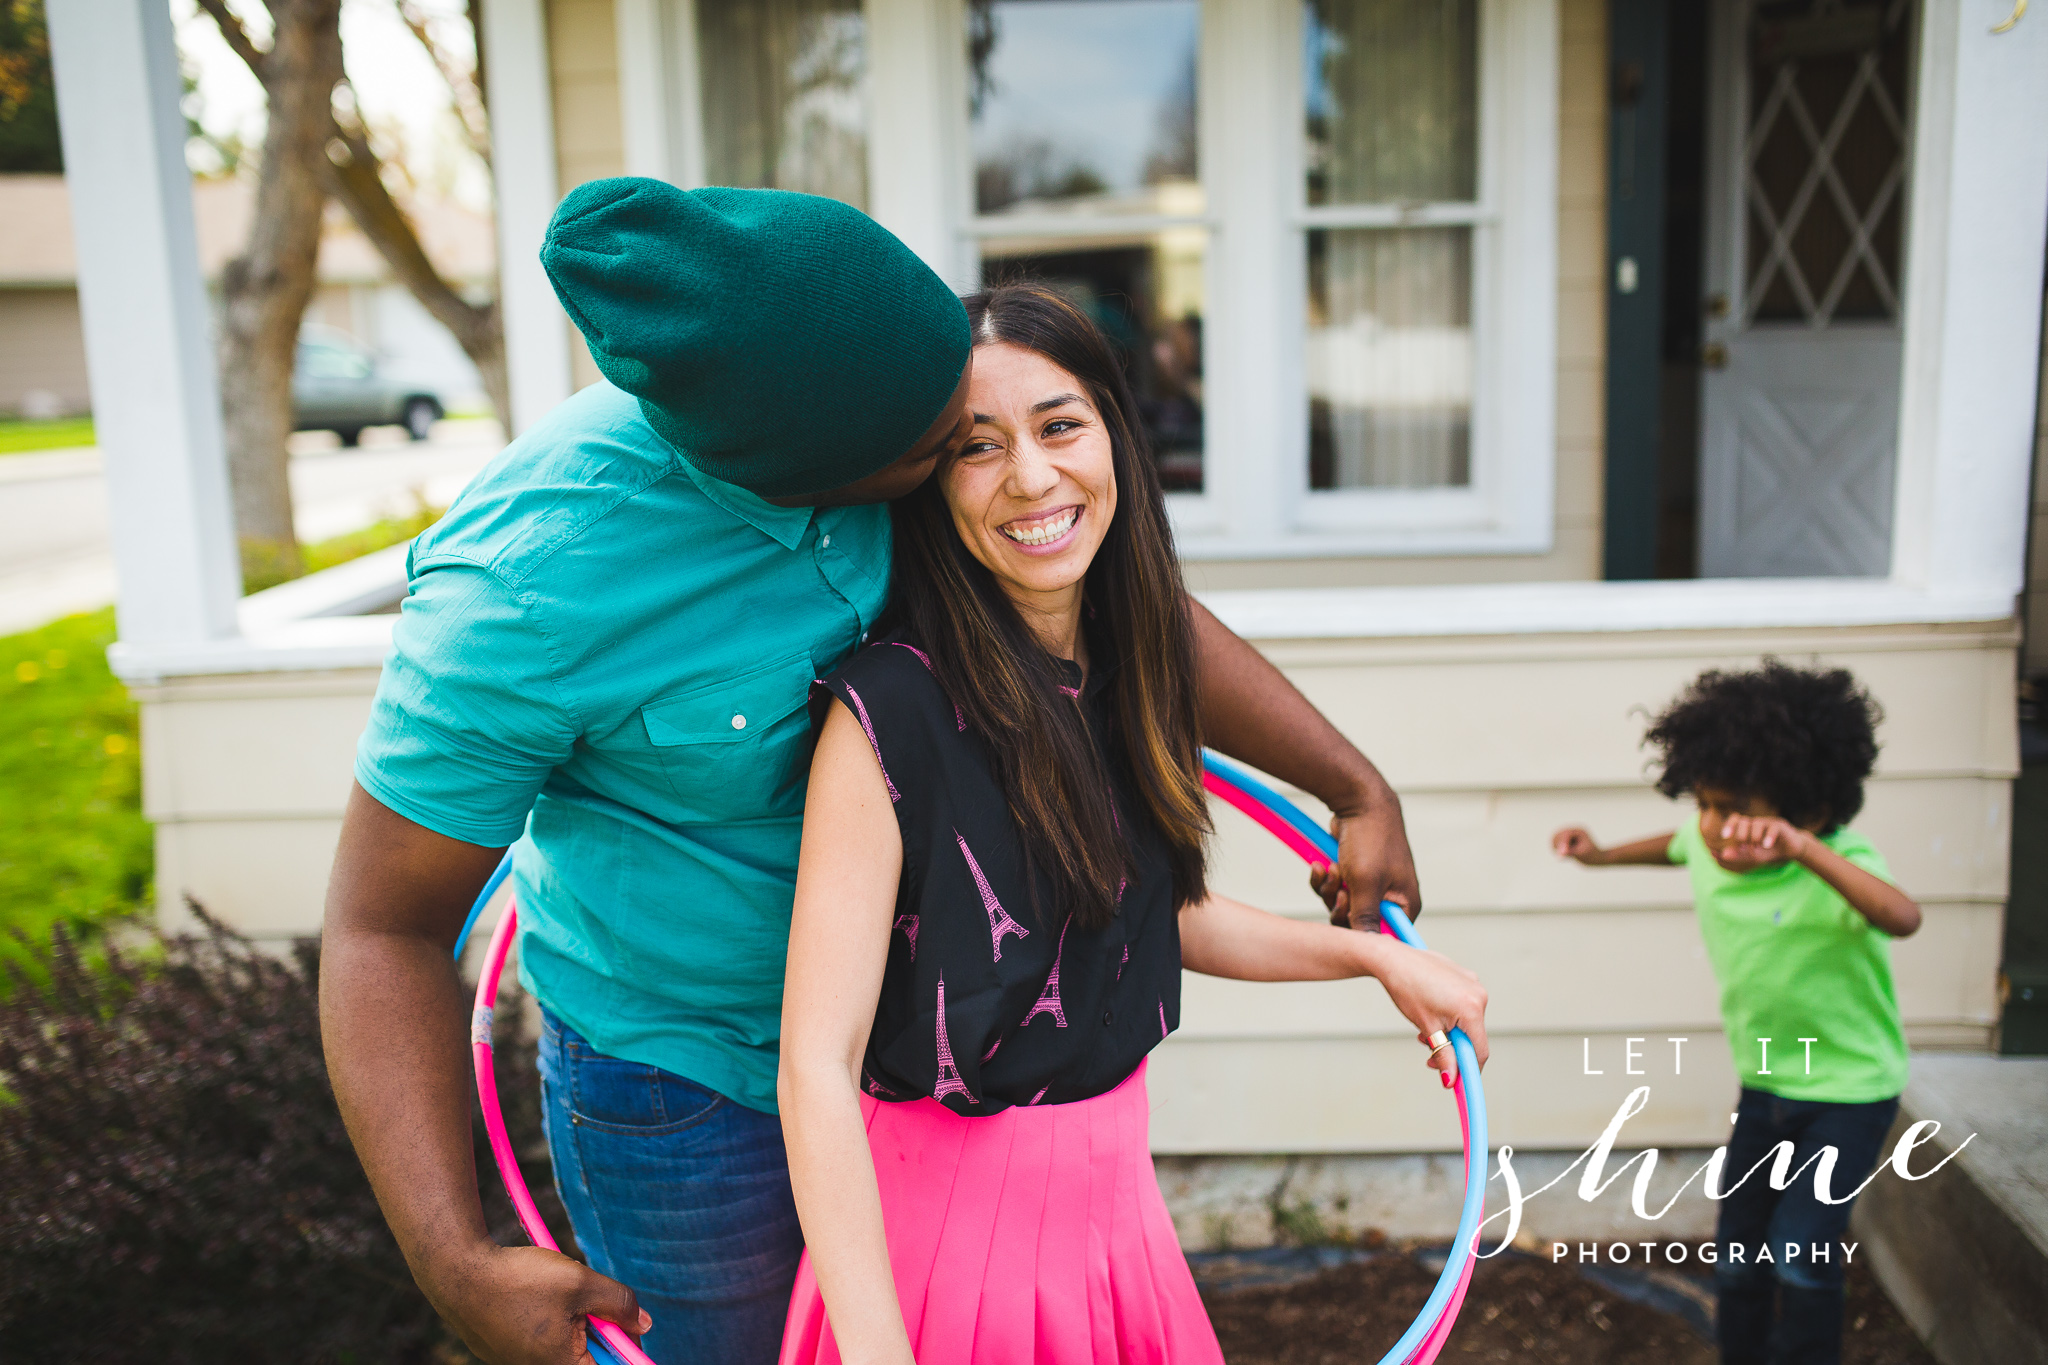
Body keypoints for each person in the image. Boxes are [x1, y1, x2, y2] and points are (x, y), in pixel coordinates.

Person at [320, 180, 1425, 1365]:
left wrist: (1349, 783)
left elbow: (1097, 593)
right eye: (946, 449)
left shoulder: (873, 386)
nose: (991, 460)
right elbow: (382, 927)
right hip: (695, 1079)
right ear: (806, 471)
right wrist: (449, 1253)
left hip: (922, 1084)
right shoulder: (524, 600)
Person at [776, 284, 1491, 1365]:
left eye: (1060, 424)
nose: (1031, 476)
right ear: (931, 485)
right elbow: (812, 1068)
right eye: (977, 449)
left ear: (1114, 431)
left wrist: (1371, 962)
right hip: (943, 1253)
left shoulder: (1121, 671)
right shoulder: (890, 713)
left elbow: (1149, 915)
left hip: (1118, 1232)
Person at [1551, 660, 1920, 1365]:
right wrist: (1599, 857)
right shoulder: (1706, 843)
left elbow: (1901, 916)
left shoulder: (1841, 861)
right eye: (1706, 804)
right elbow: (1674, 845)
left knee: (1801, 1253)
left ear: (1809, 810)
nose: (1716, 829)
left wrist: (1807, 851)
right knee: (1739, 1253)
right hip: (1767, 1086)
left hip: (1849, 1093)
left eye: (1736, 809)